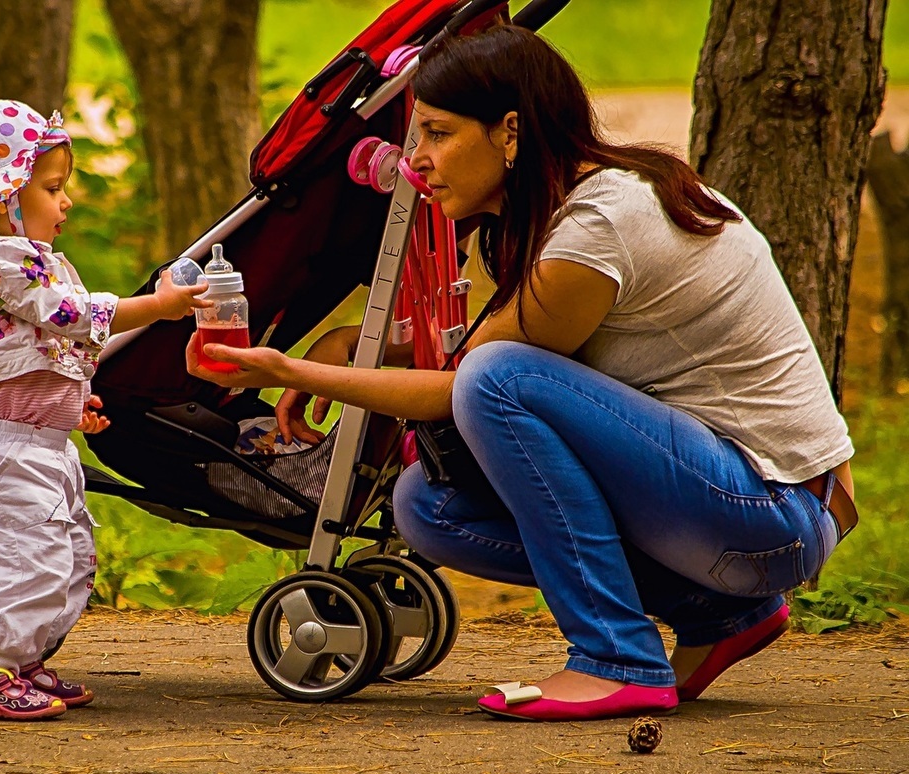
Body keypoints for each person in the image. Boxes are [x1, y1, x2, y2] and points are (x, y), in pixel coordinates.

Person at [185, 25, 858, 722]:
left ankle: (617, 658)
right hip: (737, 509)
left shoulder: (601, 226)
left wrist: (288, 367)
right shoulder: (565, 213)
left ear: (510, 133)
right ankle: (718, 615)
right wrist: (346, 347)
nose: (418, 160)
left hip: (773, 511)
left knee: (496, 381)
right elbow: (475, 354)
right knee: (426, 507)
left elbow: (470, 381)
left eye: (438, 134)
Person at [0, 99, 209, 721]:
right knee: (25, 563)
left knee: (66, 558)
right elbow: (71, 317)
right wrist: (155, 309)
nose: (67, 202)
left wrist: (71, 405)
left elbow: (38, 350)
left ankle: (23, 661)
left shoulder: (24, 262)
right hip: (3, 455)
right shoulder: (0, 258)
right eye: (53, 188)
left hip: (41, 447)